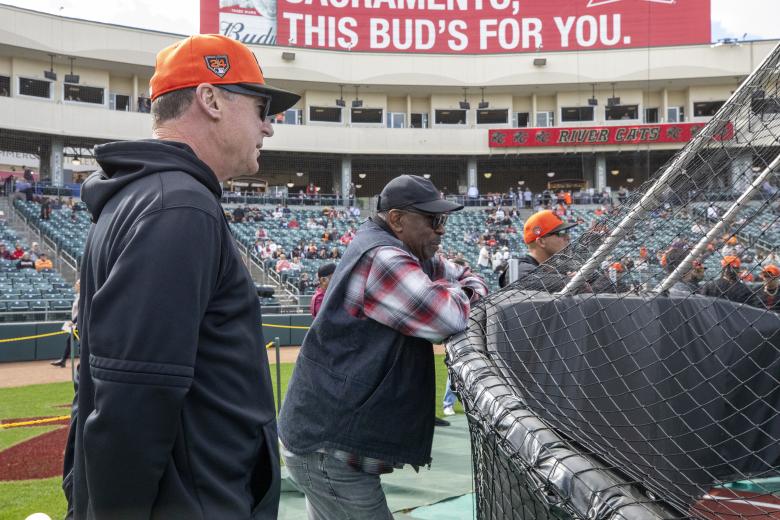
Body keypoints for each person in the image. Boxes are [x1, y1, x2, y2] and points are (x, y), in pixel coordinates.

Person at [63, 34, 300, 519]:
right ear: (210, 98)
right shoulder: (178, 206)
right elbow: (135, 396)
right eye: (260, 108)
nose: (269, 128)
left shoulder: (150, 197)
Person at [279, 175, 487, 520]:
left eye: (444, 220)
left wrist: (461, 287)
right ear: (397, 219)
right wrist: (464, 292)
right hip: (329, 447)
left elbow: (463, 273)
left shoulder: (405, 250)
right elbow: (448, 317)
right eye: (433, 220)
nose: (441, 230)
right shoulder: (383, 255)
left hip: (324, 442)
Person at [498, 209, 576, 289]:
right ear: (541, 242)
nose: (567, 237)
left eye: (567, 232)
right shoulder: (520, 268)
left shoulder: (557, 268)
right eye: (560, 233)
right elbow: (527, 280)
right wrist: (574, 282)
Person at [51, 280, 80, 368]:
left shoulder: (83, 296)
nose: (75, 285)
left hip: (80, 323)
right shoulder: (78, 296)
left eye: (77, 284)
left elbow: (82, 311)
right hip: (76, 323)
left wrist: (73, 321)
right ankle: (63, 361)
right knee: (70, 341)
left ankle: (65, 361)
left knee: (78, 342)